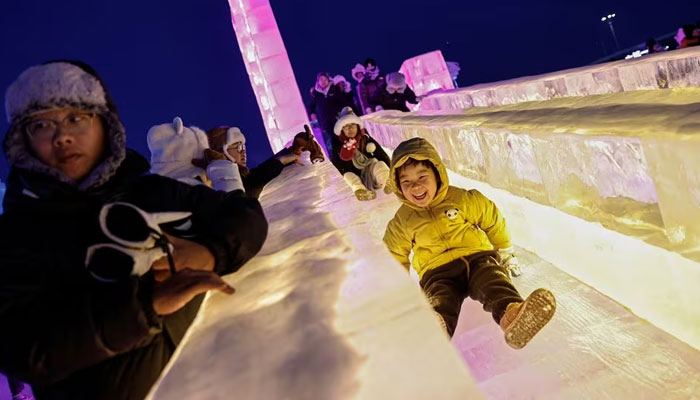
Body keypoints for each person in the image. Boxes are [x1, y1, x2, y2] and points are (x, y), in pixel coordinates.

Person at [0, 60, 268, 399]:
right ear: (23, 142)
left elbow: (244, 213)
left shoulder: (149, 191)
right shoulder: (17, 234)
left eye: (76, 118)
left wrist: (208, 252)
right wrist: (143, 307)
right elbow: (22, 348)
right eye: (41, 124)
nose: (62, 136)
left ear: (104, 124)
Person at [383, 137, 553, 348]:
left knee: (493, 281)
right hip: (436, 271)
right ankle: (436, 328)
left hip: (477, 258)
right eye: (406, 182)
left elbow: (492, 219)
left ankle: (513, 315)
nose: (415, 186)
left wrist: (505, 251)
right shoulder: (402, 221)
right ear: (399, 187)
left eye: (422, 176)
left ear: (437, 174)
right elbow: (393, 255)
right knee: (439, 298)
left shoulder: (462, 199)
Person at [205, 125, 301, 199]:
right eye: (238, 147)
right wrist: (282, 160)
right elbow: (253, 182)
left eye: (243, 147)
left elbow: (257, 173)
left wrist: (290, 150)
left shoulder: (239, 176)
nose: (243, 152)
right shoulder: (216, 183)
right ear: (222, 151)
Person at [331, 107, 391, 201]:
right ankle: (360, 191)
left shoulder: (365, 138)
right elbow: (337, 164)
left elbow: (380, 153)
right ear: (342, 130)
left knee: (379, 164)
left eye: (353, 126)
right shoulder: (338, 144)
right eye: (346, 127)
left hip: (370, 171)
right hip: (354, 173)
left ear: (358, 127)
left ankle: (388, 181)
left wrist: (392, 168)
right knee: (348, 176)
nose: (350, 129)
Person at [309, 72, 351, 154]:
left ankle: (347, 151)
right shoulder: (315, 93)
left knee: (341, 135)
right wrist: (312, 113)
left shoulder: (334, 89)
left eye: (325, 79)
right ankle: (337, 154)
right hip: (325, 121)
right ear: (318, 81)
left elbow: (342, 102)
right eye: (321, 80)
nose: (323, 81)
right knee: (332, 138)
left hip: (337, 118)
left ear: (328, 80)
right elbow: (311, 105)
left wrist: (343, 112)